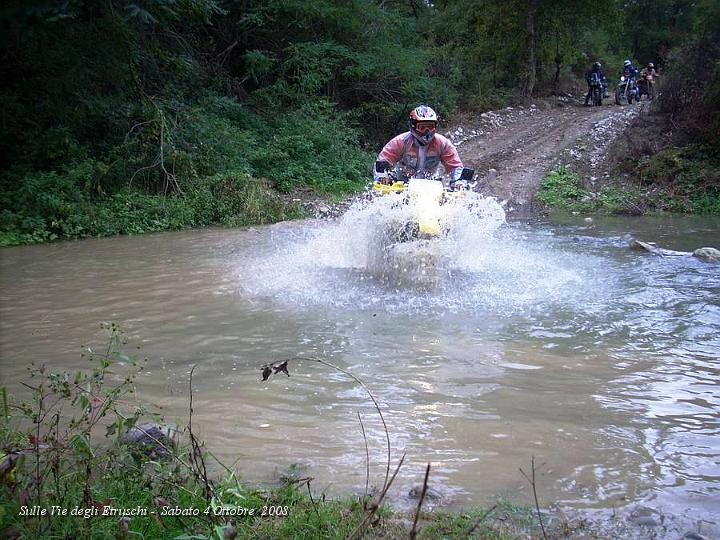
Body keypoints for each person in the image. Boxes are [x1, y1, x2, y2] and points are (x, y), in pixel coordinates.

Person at [373, 105, 466, 190]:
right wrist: (382, 177)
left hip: (430, 188)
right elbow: (383, 160)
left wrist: (459, 182)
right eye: (422, 127)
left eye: (430, 127)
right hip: (401, 186)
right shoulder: (401, 141)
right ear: (413, 126)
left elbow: (456, 166)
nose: (427, 131)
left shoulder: (443, 143)